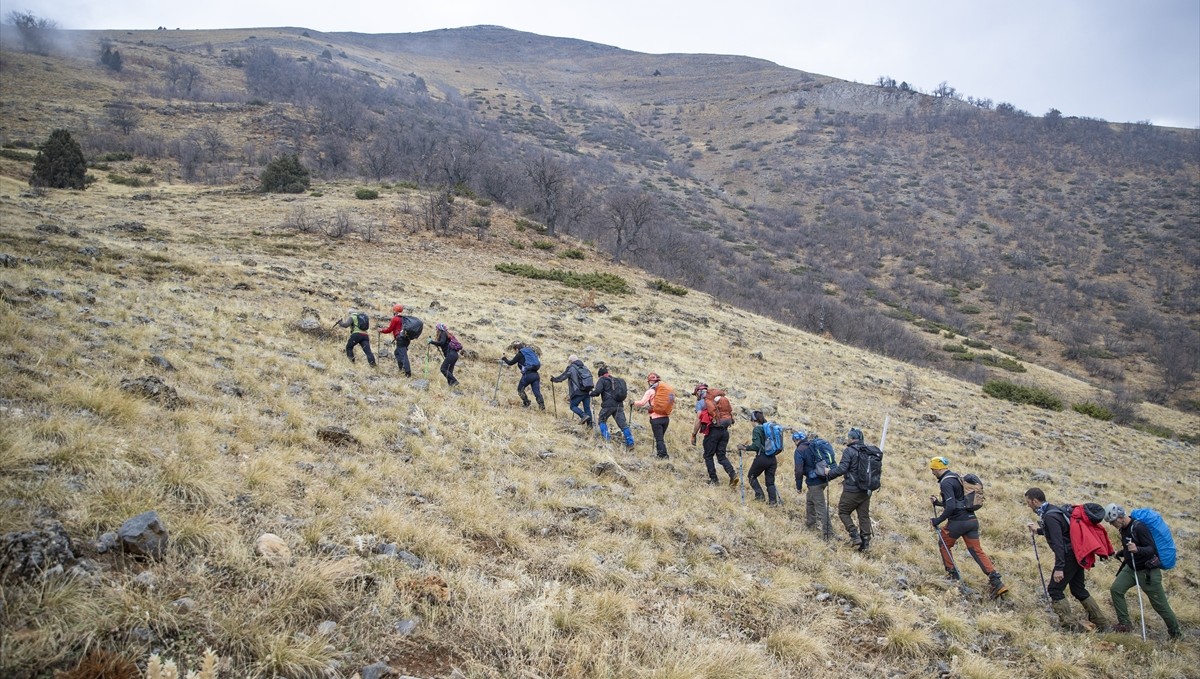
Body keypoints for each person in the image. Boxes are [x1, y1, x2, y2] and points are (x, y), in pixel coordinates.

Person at [1024, 487, 1109, 631]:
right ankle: (1102, 623)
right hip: (1077, 554)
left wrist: (1059, 568)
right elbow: (1060, 531)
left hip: (1067, 556)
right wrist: (1038, 531)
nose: (1028, 505)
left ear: (1035, 501)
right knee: (1078, 589)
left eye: (1028, 502)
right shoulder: (1053, 510)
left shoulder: (1049, 516)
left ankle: (1069, 626)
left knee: (1055, 590)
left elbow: (1059, 544)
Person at [928, 456, 1008, 598]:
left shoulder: (946, 483)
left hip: (958, 522)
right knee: (977, 551)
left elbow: (952, 506)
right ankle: (996, 581)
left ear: (937, 468)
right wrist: (939, 503)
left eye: (932, 469)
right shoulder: (957, 478)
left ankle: (953, 576)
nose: (932, 472)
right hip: (971, 520)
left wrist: (938, 520)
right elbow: (958, 501)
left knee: (943, 543)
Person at [1104, 503, 1181, 639]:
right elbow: (1129, 548)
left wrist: (1137, 549)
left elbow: (1151, 549)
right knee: (1116, 590)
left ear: (1120, 517)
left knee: (1160, 605)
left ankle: (1176, 634)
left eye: (1113, 521)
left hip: (1147, 572)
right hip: (1131, 568)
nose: (1112, 525)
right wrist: (1119, 553)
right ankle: (1125, 624)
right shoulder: (1123, 529)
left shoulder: (1139, 527)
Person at [825, 427, 879, 551]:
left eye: (848, 437)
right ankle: (865, 543)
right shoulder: (867, 451)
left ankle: (854, 536)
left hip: (852, 489)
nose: (847, 439)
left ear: (852, 438)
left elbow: (842, 469)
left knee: (843, 511)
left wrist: (829, 473)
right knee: (863, 515)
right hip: (866, 490)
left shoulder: (849, 451)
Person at [691, 383, 737, 487]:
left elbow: (699, 419)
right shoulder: (718, 400)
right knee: (721, 456)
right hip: (725, 431)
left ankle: (714, 480)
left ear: (698, 392)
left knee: (708, 456)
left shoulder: (702, 403)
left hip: (713, 432)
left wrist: (694, 434)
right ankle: (733, 474)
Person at [793, 431, 832, 539]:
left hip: (815, 482)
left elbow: (798, 470)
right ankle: (810, 524)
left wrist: (798, 486)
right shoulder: (813, 445)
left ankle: (828, 533)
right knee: (810, 500)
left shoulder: (799, 450)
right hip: (823, 479)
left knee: (820, 507)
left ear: (796, 440)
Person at [737, 410, 779, 505]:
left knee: (751, 476)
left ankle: (760, 496)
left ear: (754, 420)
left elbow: (756, 446)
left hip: (762, 457)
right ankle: (773, 502)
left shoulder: (757, 429)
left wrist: (745, 448)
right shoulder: (768, 428)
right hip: (772, 458)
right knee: (770, 481)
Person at [590, 364, 634, 447]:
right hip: (619, 405)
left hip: (608, 406)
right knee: (623, 424)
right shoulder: (617, 380)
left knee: (602, 421)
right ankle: (630, 442)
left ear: (600, 375)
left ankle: (607, 439)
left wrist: (591, 393)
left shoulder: (602, 380)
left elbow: (597, 391)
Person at [632, 373, 673, 459]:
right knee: (660, 438)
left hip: (656, 419)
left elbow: (642, 403)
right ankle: (660, 454)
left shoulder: (650, 391)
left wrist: (633, 402)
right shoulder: (664, 391)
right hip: (666, 418)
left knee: (659, 439)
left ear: (650, 382)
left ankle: (663, 456)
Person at [550, 355, 594, 426]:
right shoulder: (584, 367)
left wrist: (554, 379)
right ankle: (590, 426)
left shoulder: (571, 368)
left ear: (571, 361)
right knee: (587, 408)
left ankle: (583, 415)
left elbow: (563, 377)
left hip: (578, 392)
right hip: (587, 391)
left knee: (573, 406)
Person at [501, 343, 544, 409]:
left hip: (528, 375)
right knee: (536, 392)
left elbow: (510, 363)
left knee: (520, 389)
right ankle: (542, 406)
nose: (514, 352)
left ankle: (526, 402)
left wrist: (504, 359)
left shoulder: (519, 354)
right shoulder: (529, 354)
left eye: (514, 351)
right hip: (536, 375)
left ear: (517, 349)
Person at [377, 304, 412, 376]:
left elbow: (389, 330)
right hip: (406, 339)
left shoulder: (395, 319)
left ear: (395, 311)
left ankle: (407, 373)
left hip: (400, 339)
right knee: (397, 352)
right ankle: (401, 369)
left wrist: (381, 330)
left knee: (403, 355)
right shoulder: (404, 318)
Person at [427, 322, 459, 387]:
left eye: (437, 329)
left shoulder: (443, 333)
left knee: (443, 369)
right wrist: (434, 342)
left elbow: (441, 343)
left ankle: (455, 381)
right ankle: (451, 385)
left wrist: (431, 341)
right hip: (454, 355)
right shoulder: (446, 334)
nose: (436, 330)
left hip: (451, 354)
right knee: (449, 371)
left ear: (439, 329)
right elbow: (442, 343)